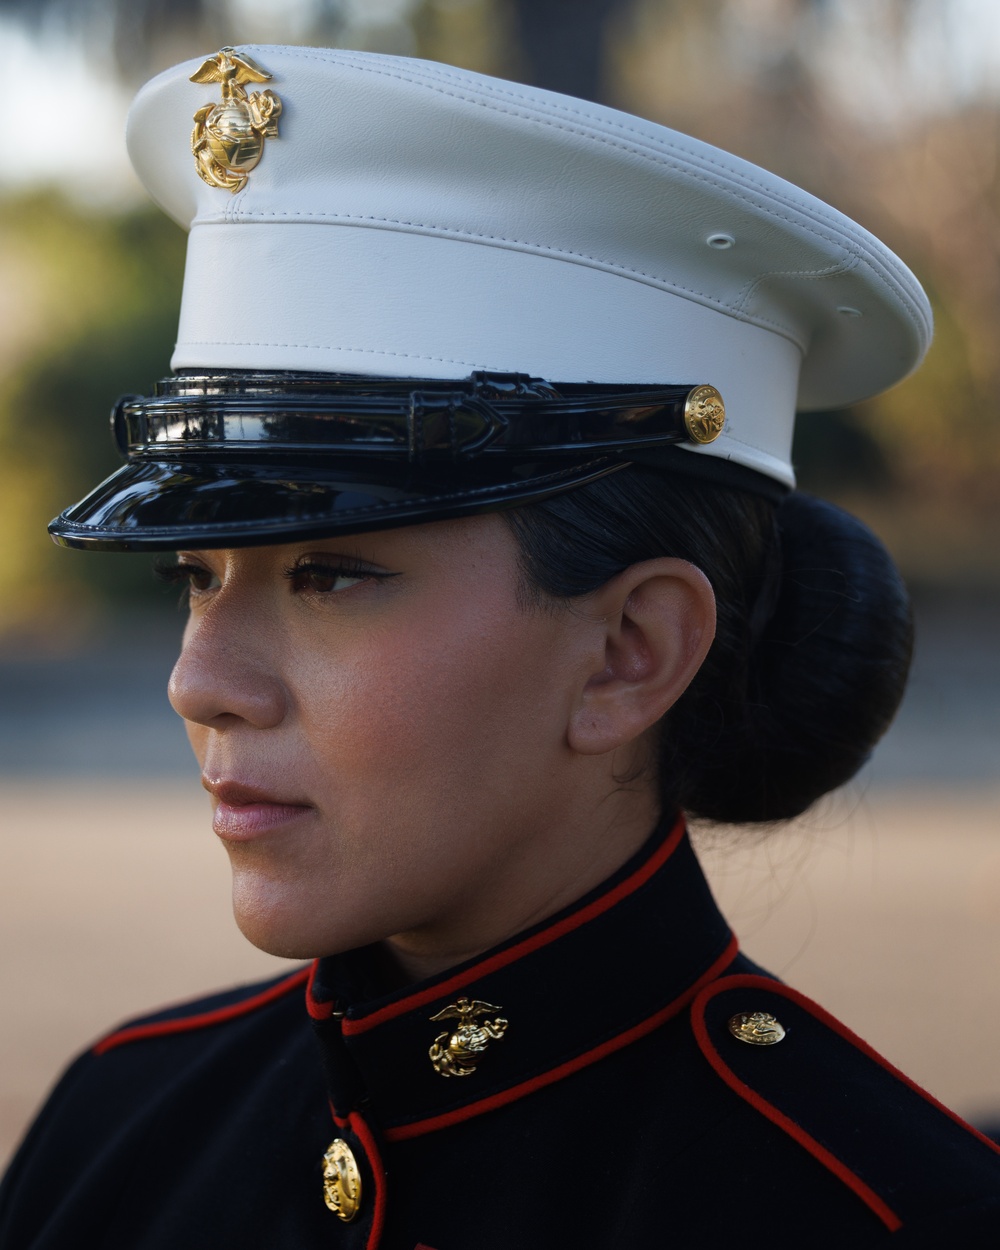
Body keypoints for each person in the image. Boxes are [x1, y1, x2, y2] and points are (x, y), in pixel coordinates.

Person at [1, 43, 998, 1249]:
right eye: (194, 577)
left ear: (631, 650)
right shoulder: (120, 1123)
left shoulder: (892, 1214)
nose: (199, 683)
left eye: (330, 574)